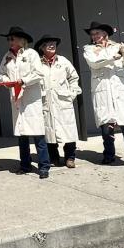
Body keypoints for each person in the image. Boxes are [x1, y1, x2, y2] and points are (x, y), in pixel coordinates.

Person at [82, 21, 124, 170]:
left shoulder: (117, 46)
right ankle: (109, 155)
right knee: (106, 128)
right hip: (103, 91)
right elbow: (94, 63)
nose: (95, 36)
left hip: (120, 91)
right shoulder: (89, 49)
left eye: (97, 33)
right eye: (92, 34)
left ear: (105, 33)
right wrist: (112, 58)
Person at [0, 26, 51, 179]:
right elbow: (1, 74)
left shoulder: (31, 54)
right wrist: (8, 82)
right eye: (8, 39)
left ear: (21, 40)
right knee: (22, 135)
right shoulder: (7, 56)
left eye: (12, 38)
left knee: (38, 134)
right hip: (17, 99)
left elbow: (39, 73)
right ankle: (25, 164)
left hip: (31, 99)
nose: (9, 41)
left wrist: (23, 81)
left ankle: (44, 166)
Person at [34, 35, 82, 168]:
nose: (52, 45)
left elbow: (73, 77)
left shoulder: (64, 61)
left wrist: (72, 93)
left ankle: (70, 157)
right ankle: (54, 157)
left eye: (54, 43)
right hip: (46, 102)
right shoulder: (37, 63)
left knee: (69, 131)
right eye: (48, 43)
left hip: (63, 101)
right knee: (49, 131)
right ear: (41, 47)